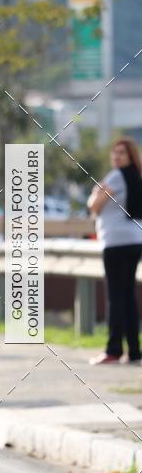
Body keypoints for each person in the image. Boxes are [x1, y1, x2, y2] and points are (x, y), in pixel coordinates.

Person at [88, 137, 142, 365]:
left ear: (130, 156)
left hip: (116, 242)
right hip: (135, 239)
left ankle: (113, 350)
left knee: (116, 296)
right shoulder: (136, 177)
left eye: (122, 153)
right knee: (128, 296)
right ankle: (134, 350)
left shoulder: (116, 176)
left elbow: (94, 206)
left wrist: (95, 192)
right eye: (115, 152)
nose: (117, 157)